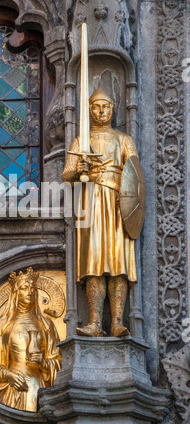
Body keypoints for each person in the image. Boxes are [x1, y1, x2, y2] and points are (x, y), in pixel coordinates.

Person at [62, 87, 140, 338]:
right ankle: (95, 322)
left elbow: (135, 174)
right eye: (96, 106)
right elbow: (67, 176)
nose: (101, 110)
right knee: (93, 263)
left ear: (113, 109)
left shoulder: (123, 139)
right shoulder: (81, 141)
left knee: (118, 263)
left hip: (119, 204)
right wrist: (80, 170)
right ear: (89, 110)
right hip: (91, 203)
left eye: (106, 106)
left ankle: (117, 321)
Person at [0, 268, 61, 412]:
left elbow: (61, 362)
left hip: (40, 387)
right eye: (24, 288)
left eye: (32, 288)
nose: (29, 292)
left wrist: (45, 363)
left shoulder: (47, 325)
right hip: (12, 388)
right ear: (16, 293)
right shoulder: (1, 325)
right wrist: (8, 375)